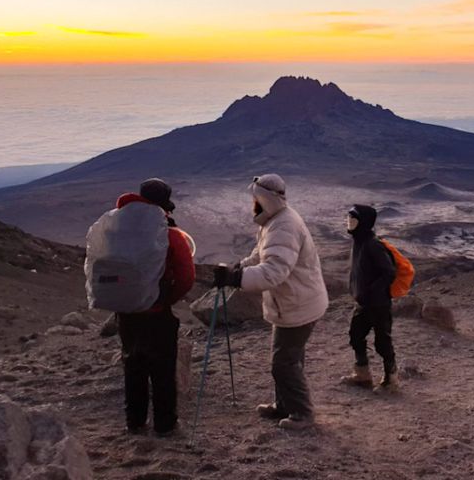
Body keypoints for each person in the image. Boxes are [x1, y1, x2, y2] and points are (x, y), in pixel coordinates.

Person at [213, 174, 329, 430]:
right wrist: (239, 267)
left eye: (255, 199)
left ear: (264, 199)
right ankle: (285, 405)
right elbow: (261, 255)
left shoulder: (284, 226)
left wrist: (235, 278)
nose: (252, 204)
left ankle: (302, 414)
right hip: (294, 303)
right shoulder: (274, 222)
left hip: (298, 305)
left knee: (283, 363)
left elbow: (273, 271)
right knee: (290, 358)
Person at [117, 178, 196, 436]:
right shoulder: (169, 235)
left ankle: (135, 422)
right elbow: (186, 276)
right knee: (162, 370)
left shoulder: (115, 229)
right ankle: (165, 424)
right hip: (157, 313)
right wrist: (166, 298)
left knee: (133, 365)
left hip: (126, 312)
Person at [340, 205, 399, 394]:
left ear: (364, 223)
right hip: (363, 303)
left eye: (353, 220)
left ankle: (391, 380)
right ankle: (362, 374)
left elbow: (389, 272)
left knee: (382, 342)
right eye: (348, 219)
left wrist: (372, 291)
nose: (349, 224)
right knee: (356, 336)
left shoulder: (373, 244)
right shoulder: (359, 241)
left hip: (378, 304)